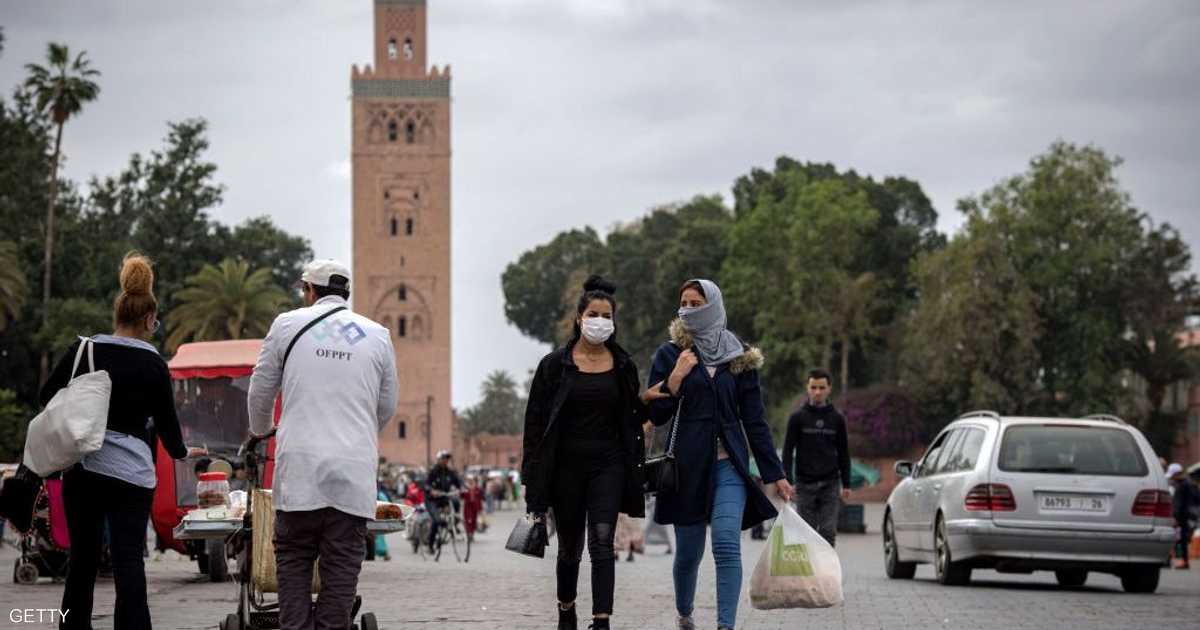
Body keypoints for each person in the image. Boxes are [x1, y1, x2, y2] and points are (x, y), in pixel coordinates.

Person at [41, 253, 206, 630]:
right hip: (131, 477)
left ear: (118, 313)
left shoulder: (84, 351)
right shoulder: (153, 365)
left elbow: (46, 396)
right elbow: (167, 428)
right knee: (128, 561)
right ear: (149, 318)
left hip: (84, 470)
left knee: (81, 562)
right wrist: (184, 453)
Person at [247, 258, 398, 630]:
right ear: (345, 295)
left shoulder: (287, 325)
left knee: (295, 559)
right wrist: (357, 433)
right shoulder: (377, 335)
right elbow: (387, 405)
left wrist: (262, 428)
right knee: (342, 566)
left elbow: (261, 390)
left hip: (299, 472)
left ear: (309, 292)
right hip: (352, 473)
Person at [641, 278, 792, 630]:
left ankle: (726, 626)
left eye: (697, 303)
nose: (689, 310)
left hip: (729, 468)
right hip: (686, 467)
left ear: (714, 306)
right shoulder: (669, 354)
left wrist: (776, 473)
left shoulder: (739, 357)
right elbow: (657, 416)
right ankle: (684, 612)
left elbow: (755, 421)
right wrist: (674, 380)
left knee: (726, 544)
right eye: (684, 303)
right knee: (689, 554)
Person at [522, 276, 648, 630]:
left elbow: (632, 416)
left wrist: (658, 396)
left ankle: (602, 619)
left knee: (603, 541)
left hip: (608, 466)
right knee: (570, 547)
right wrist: (531, 478)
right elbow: (535, 425)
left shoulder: (623, 365)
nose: (600, 321)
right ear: (579, 318)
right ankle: (567, 609)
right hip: (565, 468)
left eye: (607, 315)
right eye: (594, 313)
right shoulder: (553, 366)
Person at [781, 368, 852, 547]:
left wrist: (847, 483)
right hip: (804, 484)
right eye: (813, 387)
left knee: (828, 531)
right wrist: (787, 480)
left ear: (829, 389)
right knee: (806, 531)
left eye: (821, 387)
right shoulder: (797, 418)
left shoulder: (837, 419)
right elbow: (788, 450)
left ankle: (826, 573)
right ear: (807, 388)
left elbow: (844, 452)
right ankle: (809, 573)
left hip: (830, 483)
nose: (817, 392)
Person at [425, 450, 463, 549]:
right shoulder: (433, 471)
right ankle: (430, 544)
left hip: (444, 498)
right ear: (439, 459)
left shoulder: (450, 472)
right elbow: (426, 485)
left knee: (455, 501)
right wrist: (432, 490)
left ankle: (453, 523)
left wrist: (462, 488)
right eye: (444, 458)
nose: (446, 460)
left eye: (447, 458)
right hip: (432, 500)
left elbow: (458, 482)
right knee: (437, 521)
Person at [1169, 463, 1197, 569]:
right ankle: (1184, 560)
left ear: (1177, 474)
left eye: (1172, 475)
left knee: (1183, 539)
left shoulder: (1182, 485)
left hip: (1184, 516)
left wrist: (1176, 517)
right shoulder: (1189, 484)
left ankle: (1184, 561)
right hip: (1189, 516)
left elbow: (1179, 504)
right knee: (1183, 539)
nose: (1171, 478)